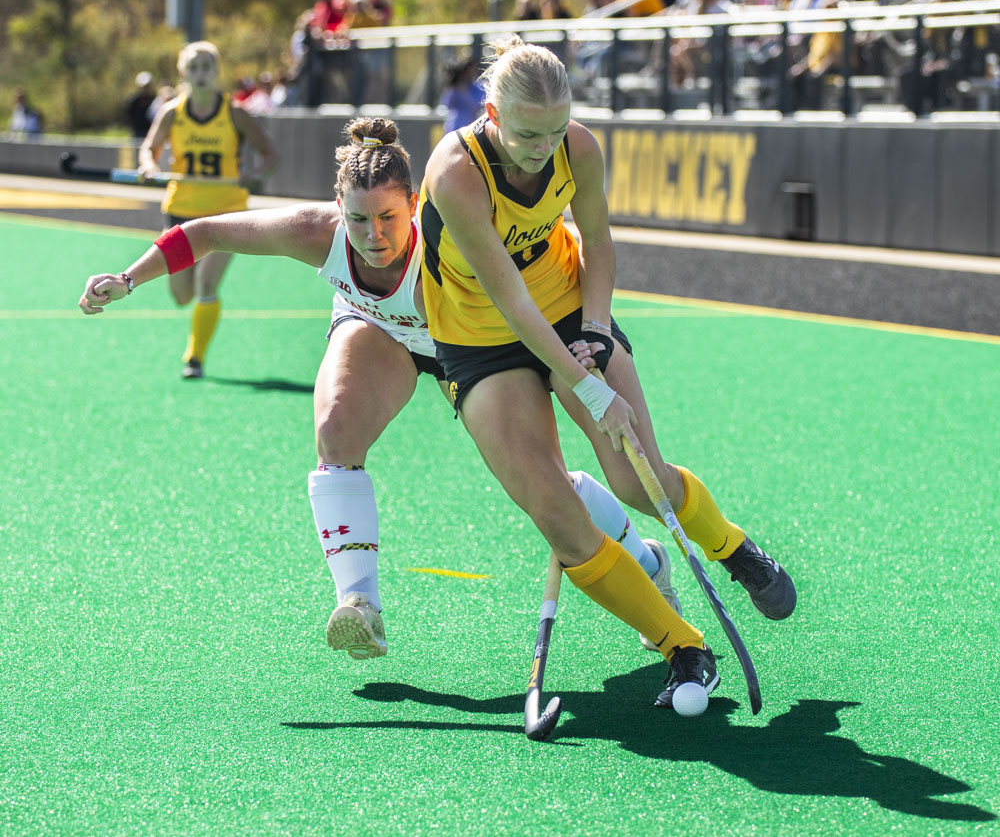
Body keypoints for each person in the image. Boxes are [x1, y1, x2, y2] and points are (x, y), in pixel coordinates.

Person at [79, 117, 682, 663]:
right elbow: (204, 232)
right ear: (338, 206)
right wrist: (127, 279)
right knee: (334, 429)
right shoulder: (316, 232)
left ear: (415, 204)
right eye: (359, 218)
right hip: (382, 331)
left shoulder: (456, 235)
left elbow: (530, 291)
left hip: (474, 345)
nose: (373, 235)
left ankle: (646, 559)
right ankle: (359, 607)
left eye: (389, 217)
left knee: (547, 489)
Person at [418, 36, 796, 713]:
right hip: (479, 337)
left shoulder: (579, 149)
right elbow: (507, 296)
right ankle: (682, 645)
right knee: (556, 512)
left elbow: (597, 239)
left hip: (565, 307)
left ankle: (732, 547)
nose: (543, 148)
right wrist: (587, 384)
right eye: (529, 134)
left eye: (555, 131)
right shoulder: (457, 171)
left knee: (633, 475)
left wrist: (595, 331)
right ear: (492, 113)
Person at [138, 40, 280, 380]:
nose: (200, 74)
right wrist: (148, 166)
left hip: (226, 213)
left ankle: (195, 358)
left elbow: (270, 156)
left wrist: (256, 177)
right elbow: (149, 149)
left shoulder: (235, 113)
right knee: (181, 295)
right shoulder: (173, 112)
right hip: (181, 210)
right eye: (194, 67)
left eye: (207, 67)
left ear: (216, 73)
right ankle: (195, 347)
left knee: (205, 283)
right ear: (184, 72)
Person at [440, 54, 485, 133]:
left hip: (471, 130)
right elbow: (447, 104)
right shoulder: (456, 86)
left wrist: (464, 91)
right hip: (454, 127)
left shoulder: (479, 86)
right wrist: (452, 86)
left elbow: (476, 107)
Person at [125, 72, 156, 138]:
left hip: (152, 133)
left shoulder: (155, 100)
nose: (146, 89)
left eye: (148, 86)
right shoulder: (133, 101)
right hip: (137, 134)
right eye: (144, 87)